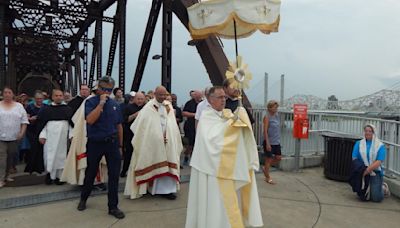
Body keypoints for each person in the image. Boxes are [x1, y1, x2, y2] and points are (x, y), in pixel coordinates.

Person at [186, 86, 263, 228]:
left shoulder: (225, 114)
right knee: (214, 201)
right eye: (220, 97)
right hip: (211, 170)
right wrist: (234, 124)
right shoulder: (206, 116)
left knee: (226, 202)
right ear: (210, 99)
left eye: (224, 97)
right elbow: (213, 139)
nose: (223, 100)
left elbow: (233, 130)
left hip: (223, 168)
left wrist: (240, 117)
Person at [77, 76, 125, 219]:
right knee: (91, 173)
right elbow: (90, 120)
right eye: (103, 89)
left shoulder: (115, 105)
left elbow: (119, 126)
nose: (106, 92)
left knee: (114, 175)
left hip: (112, 143)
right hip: (95, 143)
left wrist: (121, 146)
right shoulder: (90, 102)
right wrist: (101, 104)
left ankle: (113, 206)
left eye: (109, 90)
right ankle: (83, 198)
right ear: (98, 88)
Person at [124, 86, 183, 200]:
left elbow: (172, 124)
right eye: (160, 94)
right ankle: (153, 189)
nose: (162, 97)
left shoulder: (168, 106)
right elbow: (140, 126)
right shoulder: (149, 107)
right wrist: (154, 136)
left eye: (164, 94)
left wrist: (170, 136)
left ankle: (168, 190)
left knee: (169, 163)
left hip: (168, 142)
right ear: (155, 94)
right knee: (154, 161)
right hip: (153, 142)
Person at [38, 89, 73, 185]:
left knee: (61, 158)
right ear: (52, 97)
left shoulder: (67, 109)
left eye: (60, 95)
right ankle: (49, 175)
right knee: (48, 156)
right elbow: (43, 124)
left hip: (62, 139)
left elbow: (71, 124)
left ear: (62, 97)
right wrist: (42, 135)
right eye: (56, 95)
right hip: (50, 138)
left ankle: (59, 177)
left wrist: (71, 136)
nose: (58, 97)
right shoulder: (47, 109)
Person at [0, 87, 29, 188]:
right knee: (2, 158)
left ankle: (7, 175)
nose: (7, 94)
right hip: (1, 137)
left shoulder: (19, 106)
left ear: (13, 94)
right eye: (5, 92)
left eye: (9, 92)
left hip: (14, 137)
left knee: (10, 157)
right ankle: (1, 178)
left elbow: (24, 121)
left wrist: (21, 133)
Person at [351, 124, 387, 202]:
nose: (367, 133)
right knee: (363, 197)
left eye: (370, 131)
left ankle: (383, 188)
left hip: (374, 171)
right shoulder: (359, 143)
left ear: (374, 133)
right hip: (362, 170)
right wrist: (362, 170)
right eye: (366, 131)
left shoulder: (380, 146)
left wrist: (367, 170)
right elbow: (354, 158)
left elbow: (379, 161)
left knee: (376, 198)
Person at [120, 92, 145, 178]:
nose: (140, 101)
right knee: (129, 153)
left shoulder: (146, 108)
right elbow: (124, 120)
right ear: (134, 99)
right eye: (138, 99)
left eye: (142, 99)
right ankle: (124, 171)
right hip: (130, 134)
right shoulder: (128, 107)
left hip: (142, 135)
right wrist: (135, 115)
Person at [25, 91, 46, 174]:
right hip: (32, 130)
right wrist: (31, 119)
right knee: (33, 149)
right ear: (34, 99)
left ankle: (41, 167)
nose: (39, 100)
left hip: (42, 129)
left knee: (41, 149)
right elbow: (26, 117)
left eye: (40, 98)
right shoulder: (30, 107)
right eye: (37, 99)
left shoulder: (46, 107)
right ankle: (32, 167)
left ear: (43, 99)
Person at [262, 100, 282, 184]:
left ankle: (265, 168)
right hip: (269, 142)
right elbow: (265, 131)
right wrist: (267, 143)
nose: (276, 109)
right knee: (268, 159)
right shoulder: (267, 117)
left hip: (276, 141)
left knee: (278, 158)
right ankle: (268, 177)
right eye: (274, 107)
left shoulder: (277, 116)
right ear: (269, 108)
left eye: (277, 107)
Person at [182, 90, 202, 165]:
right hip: (190, 126)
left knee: (197, 144)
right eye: (197, 95)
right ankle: (186, 157)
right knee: (190, 144)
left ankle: (195, 160)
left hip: (200, 126)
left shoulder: (203, 103)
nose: (199, 97)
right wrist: (194, 115)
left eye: (200, 95)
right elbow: (184, 113)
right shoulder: (189, 103)